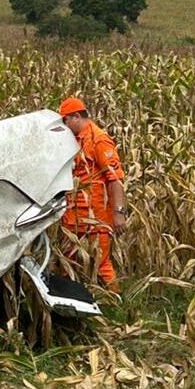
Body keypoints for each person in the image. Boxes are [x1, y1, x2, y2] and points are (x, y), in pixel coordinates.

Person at [57, 97, 127, 289]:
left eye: (65, 121)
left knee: (101, 265)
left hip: (96, 218)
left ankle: (115, 302)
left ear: (76, 117)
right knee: (67, 263)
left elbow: (115, 179)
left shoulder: (99, 140)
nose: (64, 126)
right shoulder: (73, 140)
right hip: (73, 217)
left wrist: (119, 213)